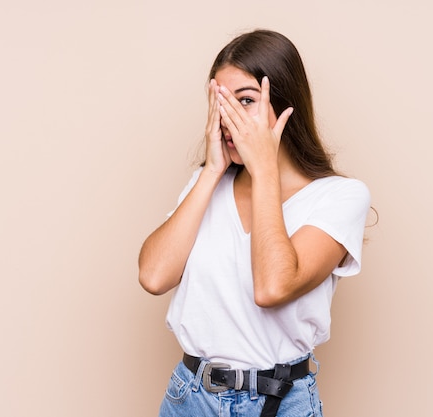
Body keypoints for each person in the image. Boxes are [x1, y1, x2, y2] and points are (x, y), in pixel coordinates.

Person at [138, 29, 371, 417]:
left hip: (280, 402)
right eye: (221, 103)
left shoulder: (339, 197)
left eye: (245, 101)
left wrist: (265, 170)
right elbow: (154, 276)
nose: (229, 118)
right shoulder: (205, 185)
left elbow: (273, 286)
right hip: (190, 397)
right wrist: (212, 171)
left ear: (284, 106)